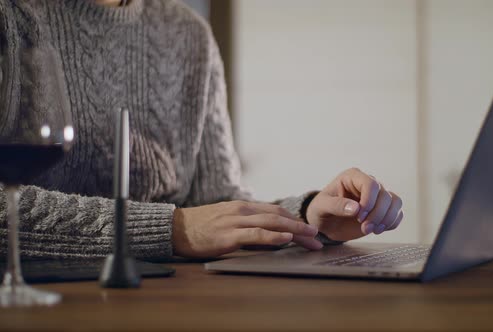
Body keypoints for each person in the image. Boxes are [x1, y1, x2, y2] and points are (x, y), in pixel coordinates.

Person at [0, 0, 404, 260]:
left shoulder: (187, 33)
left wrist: (308, 216)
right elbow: (191, 226)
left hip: (168, 302)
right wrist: (171, 228)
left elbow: (216, 202)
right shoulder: (11, 17)